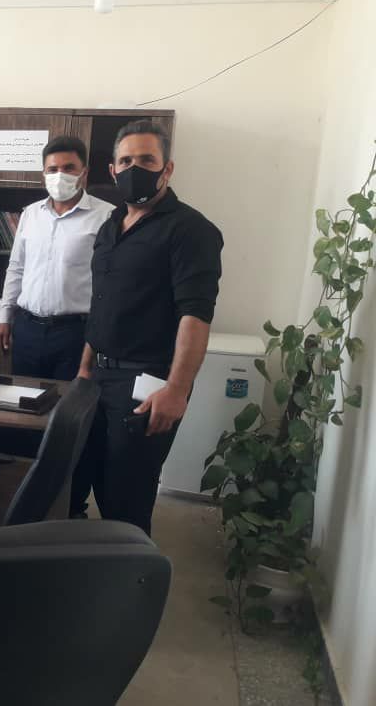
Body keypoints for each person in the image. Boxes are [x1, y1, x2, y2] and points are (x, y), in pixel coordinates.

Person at [70, 120, 223, 535]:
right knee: (84, 479)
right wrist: (84, 368)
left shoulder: (191, 230)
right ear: (112, 171)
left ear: (166, 168)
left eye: (146, 160)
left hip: (147, 381)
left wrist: (176, 390)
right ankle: (91, 564)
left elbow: (196, 316)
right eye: (126, 161)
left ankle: (132, 573)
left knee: (125, 497)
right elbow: (101, 304)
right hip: (98, 376)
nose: (134, 168)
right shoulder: (110, 227)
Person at [0, 136, 113, 379]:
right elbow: (16, 268)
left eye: (69, 168)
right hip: (26, 329)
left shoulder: (107, 217)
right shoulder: (31, 214)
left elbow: (111, 282)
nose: (60, 175)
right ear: (44, 174)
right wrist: (5, 318)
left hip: (75, 333)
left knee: (67, 401)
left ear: (84, 173)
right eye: (53, 169)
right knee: (22, 397)